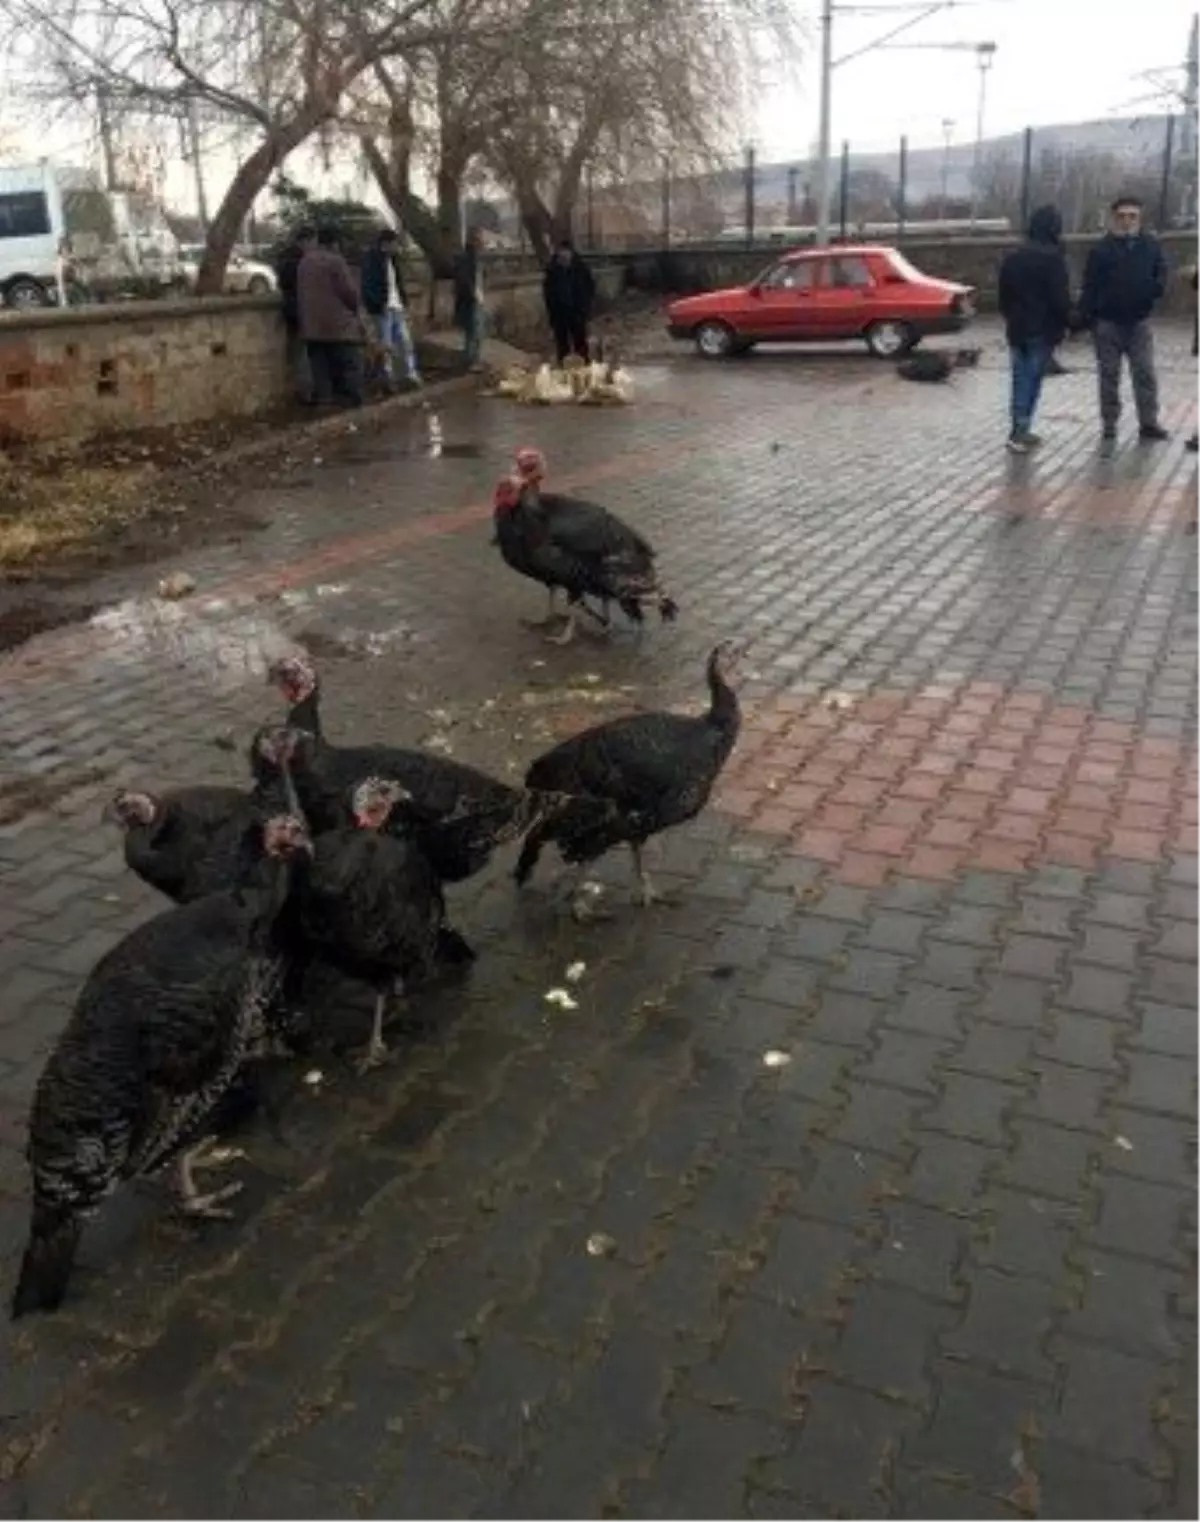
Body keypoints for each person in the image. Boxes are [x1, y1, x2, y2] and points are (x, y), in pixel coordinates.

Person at [1079, 194, 1169, 443]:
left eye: (1133, 216)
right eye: (1122, 217)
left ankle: (1148, 423)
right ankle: (1109, 423)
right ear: (1113, 218)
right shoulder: (1101, 249)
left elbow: (1161, 273)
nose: (1127, 222)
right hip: (1108, 323)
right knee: (1109, 375)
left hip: (1139, 322)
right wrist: (1088, 318)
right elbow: (1090, 285)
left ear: (1140, 218)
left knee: (1145, 373)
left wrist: (1151, 291)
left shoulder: (1150, 246)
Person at [996, 204, 1071, 454]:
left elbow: (1003, 296)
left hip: (1017, 327)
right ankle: (1020, 430)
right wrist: (1070, 322)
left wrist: (1011, 317)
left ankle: (1020, 427)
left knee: (1021, 378)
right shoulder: (1054, 259)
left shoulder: (1013, 258)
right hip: (1043, 328)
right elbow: (1060, 299)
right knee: (1033, 379)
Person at [296, 226, 363, 407]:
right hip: (337, 324)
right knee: (349, 362)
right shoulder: (336, 262)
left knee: (320, 366)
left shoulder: (304, 262)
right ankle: (352, 398)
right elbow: (348, 291)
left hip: (311, 326)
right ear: (334, 244)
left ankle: (324, 400)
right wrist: (355, 308)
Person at [360, 227, 421, 391]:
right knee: (386, 345)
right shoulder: (372, 260)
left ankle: (409, 374)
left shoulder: (392, 260)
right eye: (394, 244)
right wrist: (378, 304)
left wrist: (403, 301)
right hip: (383, 309)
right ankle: (388, 379)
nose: (397, 247)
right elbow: (367, 285)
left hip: (396, 306)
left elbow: (397, 282)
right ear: (386, 244)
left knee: (404, 342)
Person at [275, 224, 315, 403]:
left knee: (300, 351)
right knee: (303, 353)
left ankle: (306, 389)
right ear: (304, 241)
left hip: (293, 310)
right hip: (301, 310)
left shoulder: (286, 258)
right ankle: (306, 392)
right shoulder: (299, 261)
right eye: (312, 242)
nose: (314, 246)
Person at [542, 237, 596, 364]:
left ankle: (584, 369)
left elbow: (590, 288)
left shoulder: (581, 268)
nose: (564, 254)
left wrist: (586, 308)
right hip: (559, 313)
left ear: (571, 252)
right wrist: (551, 314)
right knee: (562, 345)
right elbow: (547, 293)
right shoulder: (552, 270)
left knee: (580, 343)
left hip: (577, 312)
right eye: (561, 251)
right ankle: (563, 370)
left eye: (566, 251)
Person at [453, 227, 486, 371]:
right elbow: (463, 279)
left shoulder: (476, 258)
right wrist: (473, 293)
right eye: (480, 239)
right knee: (473, 332)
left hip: (477, 299)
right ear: (473, 241)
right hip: (470, 301)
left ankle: (475, 359)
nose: (483, 243)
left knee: (478, 332)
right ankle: (471, 361)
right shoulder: (466, 257)